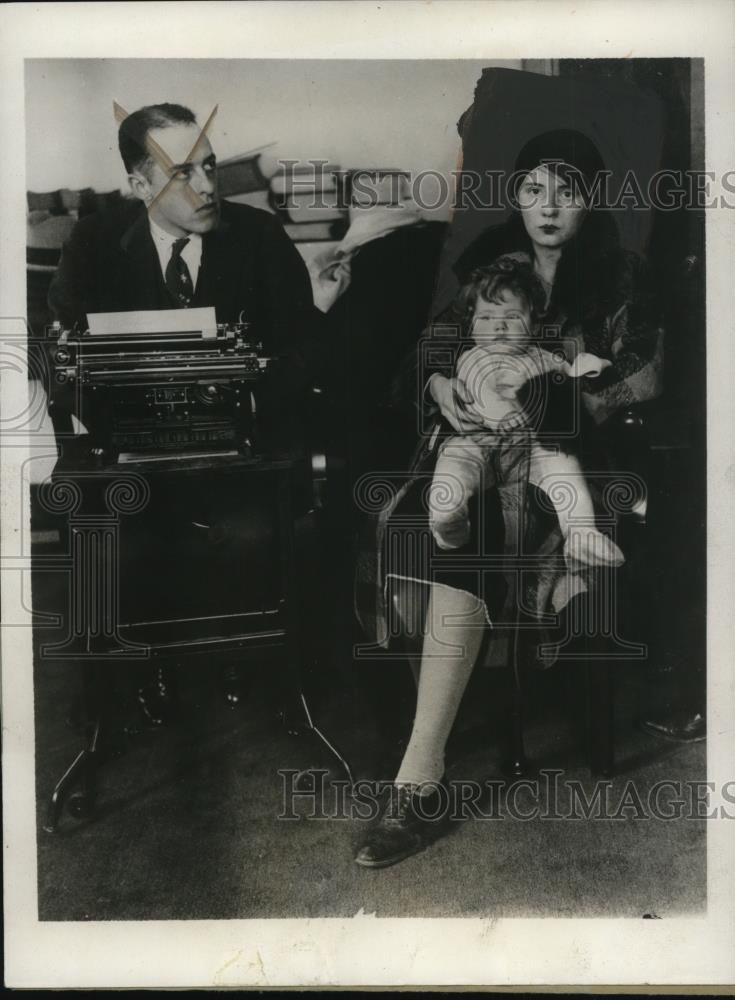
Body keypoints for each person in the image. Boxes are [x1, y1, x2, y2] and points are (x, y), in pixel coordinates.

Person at [353, 129, 664, 869]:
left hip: (573, 458)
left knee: (511, 517)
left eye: (567, 191)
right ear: (515, 195)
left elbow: (644, 376)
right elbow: (429, 348)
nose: (548, 206)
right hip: (478, 456)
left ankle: (417, 780)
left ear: (589, 198)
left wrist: (547, 405)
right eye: (533, 189)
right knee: (444, 518)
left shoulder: (621, 271)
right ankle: (421, 770)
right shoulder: (489, 260)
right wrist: (438, 386)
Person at [49, 102, 327, 447]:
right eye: (182, 173)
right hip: (136, 450)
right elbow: (64, 357)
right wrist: (128, 424)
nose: (207, 186)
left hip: (247, 443)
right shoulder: (91, 242)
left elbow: (307, 344)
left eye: (209, 166)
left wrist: (248, 406)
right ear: (141, 186)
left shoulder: (260, 233)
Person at [428, 256, 623, 570]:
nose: (500, 325)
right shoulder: (469, 359)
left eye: (512, 316)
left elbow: (573, 381)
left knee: (566, 467)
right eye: (488, 317)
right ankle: (448, 518)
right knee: (453, 464)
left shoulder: (546, 359)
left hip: (533, 449)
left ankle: (581, 533)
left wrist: (592, 365)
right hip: (479, 442)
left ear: (533, 323)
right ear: (471, 324)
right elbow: (479, 391)